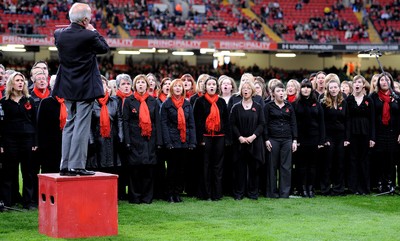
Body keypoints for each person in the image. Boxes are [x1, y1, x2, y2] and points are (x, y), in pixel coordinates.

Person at [52, 2, 110, 176]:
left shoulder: (58, 35)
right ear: (85, 19)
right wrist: (93, 30)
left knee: (70, 123)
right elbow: (104, 48)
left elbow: (62, 35)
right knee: (81, 127)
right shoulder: (89, 36)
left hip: (67, 87)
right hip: (85, 88)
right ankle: (77, 166)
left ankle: (65, 164)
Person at [0, 72, 37, 210]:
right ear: (12, 83)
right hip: (10, 140)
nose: (21, 82)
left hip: (27, 139)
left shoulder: (29, 100)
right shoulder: (4, 102)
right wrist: (1, 144)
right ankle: (8, 201)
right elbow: (1, 125)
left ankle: (28, 202)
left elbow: (34, 122)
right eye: (17, 80)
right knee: (9, 171)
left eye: (22, 80)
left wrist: (35, 142)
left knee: (27, 171)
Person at [123, 74, 162, 204]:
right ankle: (135, 197)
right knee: (135, 170)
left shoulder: (153, 101)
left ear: (147, 85)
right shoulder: (129, 101)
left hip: (150, 140)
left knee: (148, 170)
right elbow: (125, 122)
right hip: (134, 140)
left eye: (143, 82)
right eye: (138, 82)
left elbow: (157, 122)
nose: (141, 85)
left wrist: (158, 142)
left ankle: (147, 197)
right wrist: (127, 141)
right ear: (135, 85)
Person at [160, 79, 196, 203]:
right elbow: (163, 124)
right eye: (175, 86)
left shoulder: (187, 104)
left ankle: (176, 193)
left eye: (180, 86)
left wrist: (192, 142)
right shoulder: (166, 104)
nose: (178, 88)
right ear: (171, 89)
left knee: (180, 169)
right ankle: (169, 193)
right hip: (171, 141)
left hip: (184, 140)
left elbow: (191, 123)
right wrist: (167, 142)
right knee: (171, 169)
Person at [193, 76, 229, 201]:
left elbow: (226, 120)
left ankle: (217, 194)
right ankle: (205, 194)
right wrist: (200, 139)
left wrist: (225, 138)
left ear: (217, 87)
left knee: (218, 166)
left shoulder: (222, 102)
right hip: (205, 137)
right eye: (209, 84)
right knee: (205, 166)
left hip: (219, 137)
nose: (212, 86)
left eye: (214, 84)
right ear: (205, 87)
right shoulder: (199, 101)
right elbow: (196, 122)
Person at [230, 80, 265, 200]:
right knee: (239, 169)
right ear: (241, 91)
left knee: (254, 169)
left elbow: (261, 124)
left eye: (248, 88)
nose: (246, 90)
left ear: (252, 91)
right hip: (239, 143)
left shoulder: (258, 107)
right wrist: (240, 137)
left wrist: (253, 137)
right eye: (244, 88)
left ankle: (252, 193)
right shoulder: (236, 107)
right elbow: (232, 124)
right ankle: (239, 193)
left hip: (254, 142)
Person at [264, 82, 298, 198]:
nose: (281, 93)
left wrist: (294, 140)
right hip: (273, 139)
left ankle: (284, 193)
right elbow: (265, 124)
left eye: (282, 91)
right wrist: (266, 139)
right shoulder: (268, 106)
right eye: (278, 91)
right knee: (272, 167)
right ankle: (272, 193)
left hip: (287, 139)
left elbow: (293, 123)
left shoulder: (289, 106)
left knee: (286, 167)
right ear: (273, 94)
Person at [292, 80, 325, 197]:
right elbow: (293, 123)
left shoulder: (317, 104)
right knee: (301, 165)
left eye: (308, 87)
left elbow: (321, 123)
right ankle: (302, 189)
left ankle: (311, 189)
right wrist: (295, 139)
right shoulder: (296, 104)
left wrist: (321, 140)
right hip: (301, 139)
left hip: (314, 139)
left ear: (311, 89)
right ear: (300, 89)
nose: (306, 89)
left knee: (313, 165)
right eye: (304, 87)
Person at [369, 72, 400, 193]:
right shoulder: (373, 97)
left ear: (391, 82)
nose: (384, 82)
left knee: (391, 159)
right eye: (382, 80)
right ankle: (380, 183)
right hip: (379, 132)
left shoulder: (397, 96)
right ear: (378, 82)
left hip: (393, 133)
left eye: (387, 80)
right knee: (379, 158)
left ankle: (390, 183)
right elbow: (371, 117)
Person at [320, 74, 350, 196]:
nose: (333, 89)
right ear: (328, 89)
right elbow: (321, 122)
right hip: (329, 137)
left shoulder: (344, 102)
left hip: (341, 137)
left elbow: (347, 120)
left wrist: (347, 138)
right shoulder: (323, 102)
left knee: (340, 163)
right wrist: (324, 138)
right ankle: (325, 188)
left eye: (335, 87)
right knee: (327, 163)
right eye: (331, 87)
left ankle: (338, 188)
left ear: (339, 89)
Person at [87, 76, 122, 173]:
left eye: (102, 83)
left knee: (112, 169)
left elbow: (119, 120)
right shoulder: (90, 103)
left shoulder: (114, 101)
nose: (100, 85)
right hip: (97, 141)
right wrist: (91, 141)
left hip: (112, 140)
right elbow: (88, 124)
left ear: (107, 86)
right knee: (98, 168)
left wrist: (120, 137)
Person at [346, 75, 375, 195]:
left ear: (363, 85)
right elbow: (346, 119)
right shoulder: (348, 100)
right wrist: (346, 137)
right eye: (355, 82)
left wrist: (372, 137)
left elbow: (372, 119)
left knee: (364, 161)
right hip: (352, 133)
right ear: (352, 85)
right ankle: (353, 188)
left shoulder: (369, 100)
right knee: (352, 161)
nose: (357, 84)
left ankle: (364, 188)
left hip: (365, 134)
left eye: (359, 82)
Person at [37, 75, 64, 174]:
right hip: (49, 147)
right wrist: (42, 148)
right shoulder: (46, 103)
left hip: (65, 145)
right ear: (53, 86)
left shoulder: (69, 102)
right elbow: (40, 127)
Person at [114, 73, 133, 200]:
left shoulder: (134, 100)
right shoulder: (114, 100)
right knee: (119, 166)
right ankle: (119, 192)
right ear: (118, 87)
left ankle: (130, 191)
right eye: (123, 84)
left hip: (131, 137)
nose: (126, 87)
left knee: (130, 166)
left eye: (128, 84)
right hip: (117, 138)